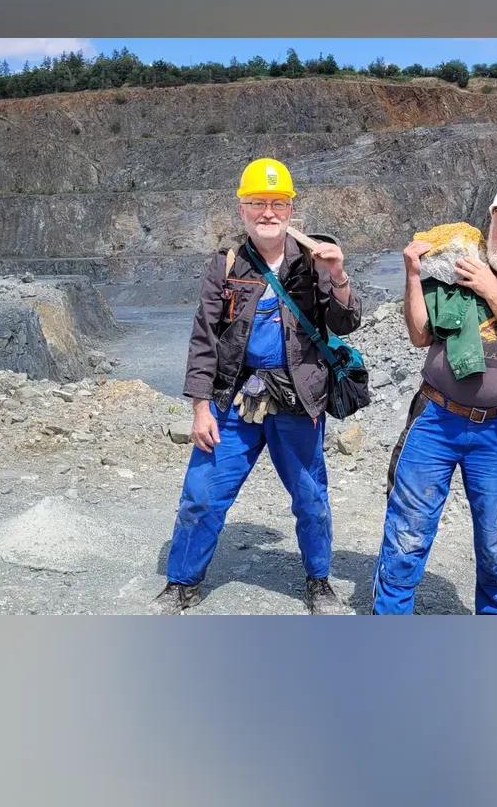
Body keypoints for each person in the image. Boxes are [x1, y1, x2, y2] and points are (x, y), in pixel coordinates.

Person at [154, 157, 361, 615]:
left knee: (310, 498)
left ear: (291, 209)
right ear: (242, 209)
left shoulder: (314, 260)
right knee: (202, 495)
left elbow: (346, 323)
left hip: (297, 399)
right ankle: (181, 583)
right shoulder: (225, 264)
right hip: (234, 400)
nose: (268, 213)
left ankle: (319, 581)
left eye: (277, 203)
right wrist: (201, 408)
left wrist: (339, 276)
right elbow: (204, 338)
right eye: (257, 203)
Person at [373, 179, 497, 615]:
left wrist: (489, 289)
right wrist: (412, 275)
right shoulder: (455, 269)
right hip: (434, 420)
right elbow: (420, 336)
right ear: (490, 227)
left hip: (494, 431)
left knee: (496, 544)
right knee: (406, 535)